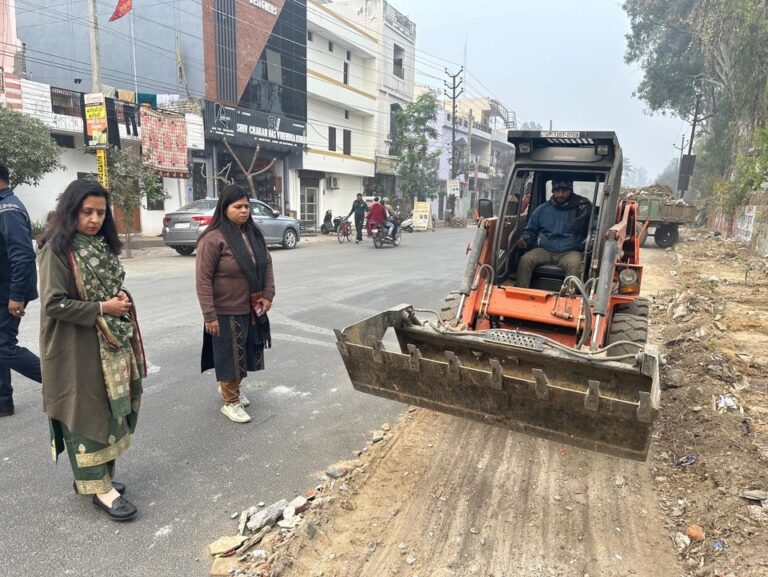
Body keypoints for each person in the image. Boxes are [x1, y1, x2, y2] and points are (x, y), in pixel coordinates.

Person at [38, 178, 145, 521]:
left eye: (100, 212)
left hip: (106, 343)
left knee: (108, 409)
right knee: (86, 410)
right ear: (72, 210)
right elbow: (53, 303)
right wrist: (103, 308)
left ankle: (98, 479)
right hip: (74, 346)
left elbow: (109, 289)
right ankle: (100, 489)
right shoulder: (56, 249)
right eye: (87, 212)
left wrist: (120, 299)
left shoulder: (98, 245)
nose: (95, 219)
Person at [196, 184, 275, 424]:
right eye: (237, 207)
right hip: (224, 311)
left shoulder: (253, 234)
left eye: (246, 206)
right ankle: (230, 402)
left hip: (251, 306)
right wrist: (209, 315)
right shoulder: (213, 239)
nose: (244, 211)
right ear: (224, 208)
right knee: (230, 358)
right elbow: (203, 279)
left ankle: (231, 389)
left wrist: (268, 295)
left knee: (245, 354)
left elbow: (267, 264)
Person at [0, 163, 42, 417]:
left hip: (8, 292)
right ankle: (3, 401)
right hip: (5, 289)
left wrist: (16, 295)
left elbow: (23, 255)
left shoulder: (8, 210)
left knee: (4, 347)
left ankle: (62, 382)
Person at [515, 180, 591, 288]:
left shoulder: (582, 208)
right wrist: (524, 240)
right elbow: (530, 230)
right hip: (545, 249)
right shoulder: (542, 210)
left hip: (570, 251)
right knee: (525, 260)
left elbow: (594, 229)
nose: (560, 194)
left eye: (564, 191)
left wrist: (589, 242)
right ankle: (521, 293)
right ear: (552, 191)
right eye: (557, 191)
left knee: (575, 264)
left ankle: (569, 297)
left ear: (571, 190)